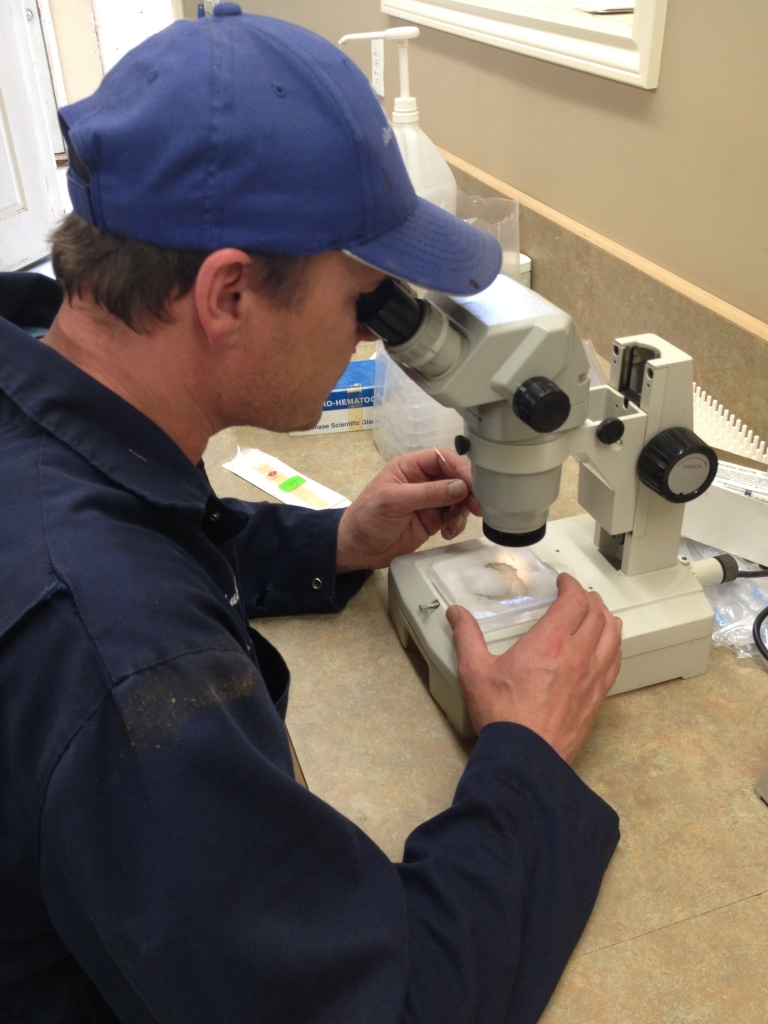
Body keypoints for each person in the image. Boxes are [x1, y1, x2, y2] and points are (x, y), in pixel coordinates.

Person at [0, 6, 622, 1023]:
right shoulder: (118, 652)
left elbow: (135, 528)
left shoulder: (43, 384)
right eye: (367, 298)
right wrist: (529, 761)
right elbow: (383, 1005)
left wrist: (331, 542)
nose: (372, 336)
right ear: (228, 295)